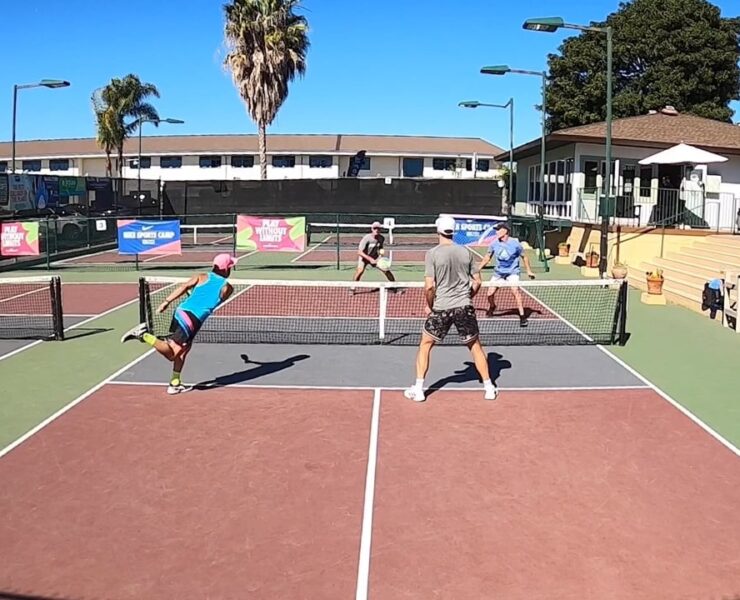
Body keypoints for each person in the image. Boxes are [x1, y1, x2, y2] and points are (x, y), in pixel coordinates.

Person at [403, 215, 497, 402]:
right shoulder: (466, 252)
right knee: (475, 346)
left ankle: (419, 389)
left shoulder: (432, 254)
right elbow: (478, 281)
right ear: (453, 231)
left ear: (438, 230)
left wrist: (431, 306)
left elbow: (429, 286)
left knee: (425, 345)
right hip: (464, 307)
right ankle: (489, 387)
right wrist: (468, 297)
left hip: (441, 308)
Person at [120, 253, 235, 395]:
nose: (231, 269)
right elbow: (212, 300)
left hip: (180, 311)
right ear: (225, 269)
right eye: (230, 266)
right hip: (192, 320)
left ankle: (175, 383)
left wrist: (166, 302)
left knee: (184, 350)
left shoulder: (201, 276)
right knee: (173, 354)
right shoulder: (227, 288)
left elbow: (184, 287)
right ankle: (144, 335)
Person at [478, 222, 535, 328]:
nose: (496, 232)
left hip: (513, 272)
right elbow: (487, 257)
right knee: (489, 294)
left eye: (498, 230)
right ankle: (492, 306)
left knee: (515, 292)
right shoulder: (494, 244)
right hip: (498, 273)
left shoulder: (515, 244)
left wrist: (529, 271)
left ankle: (522, 316)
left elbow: (524, 257)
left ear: (505, 231)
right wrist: (478, 269)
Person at [352, 221, 398, 292]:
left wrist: (380, 256)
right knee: (360, 271)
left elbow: (381, 248)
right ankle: (352, 288)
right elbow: (359, 252)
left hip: (375, 257)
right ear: (372, 229)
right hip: (364, 257)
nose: (376, 230)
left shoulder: (381, 238)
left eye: (378, 229)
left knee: (386, 270)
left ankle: (394, 287)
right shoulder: (366, 238)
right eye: (375, 228)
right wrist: (370, 259)